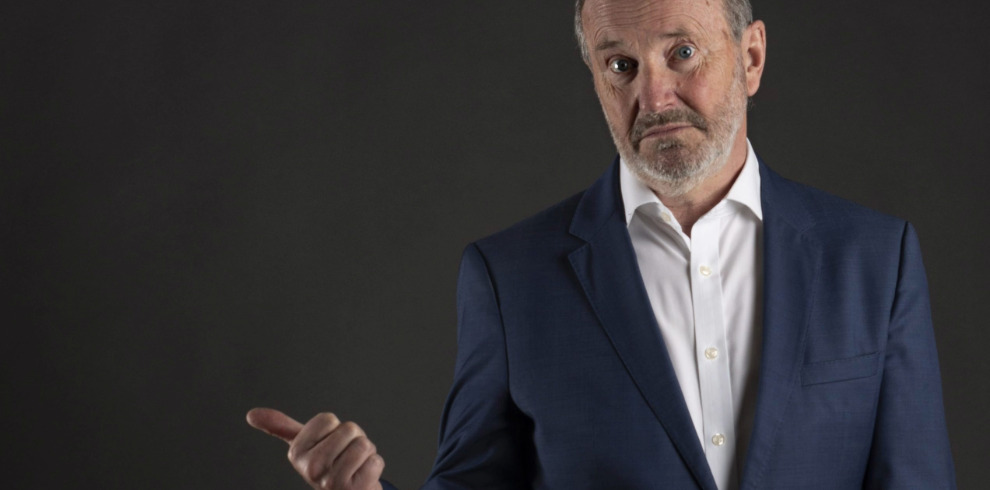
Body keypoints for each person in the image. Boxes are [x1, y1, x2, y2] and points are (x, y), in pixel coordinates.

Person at [246, 0, 956, 488]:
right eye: (620, 65)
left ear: (752, 57)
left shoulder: (875, 259)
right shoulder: (509, 278)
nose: (654, 96)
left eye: (682, 53)